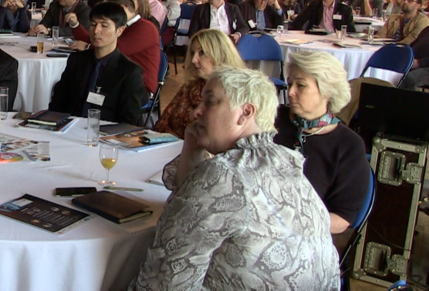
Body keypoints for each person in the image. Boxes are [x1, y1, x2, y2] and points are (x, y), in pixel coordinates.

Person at [132, 67, 339, 289]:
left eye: (210, 102)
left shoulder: (225, 174)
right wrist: (193, 146)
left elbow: (166, 276)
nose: (196, 112)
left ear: (245, 113)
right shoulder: (284, 161)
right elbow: (187, 207)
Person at [274, 51, 370, 234]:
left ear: (327, 90)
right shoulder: (271, 119)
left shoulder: (348, 145)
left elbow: (342, 219)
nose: (291, 92)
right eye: (290, 84)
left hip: (304, 235)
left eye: (301, 85)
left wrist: (285, 224)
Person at [48, 2, 145, 124]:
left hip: (105, 131)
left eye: (104, 25)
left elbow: (128, 119)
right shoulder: (77, 60)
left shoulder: (129, 71)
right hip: (68, 127)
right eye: (93, 24)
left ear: (119, 31)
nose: (96, 31)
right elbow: (58, 102)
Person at [155, 29, 245, 138]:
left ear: (220, 54)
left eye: (201, 53)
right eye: (192, 53)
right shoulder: (190, 87)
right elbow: (162, 123)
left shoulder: (234, 94)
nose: (193, 60)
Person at [69, 0, 161, 95]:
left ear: (122, 8)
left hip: (139, 86)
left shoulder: (145, 27)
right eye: (94, 24)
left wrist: (88, 47)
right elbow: (94, 38)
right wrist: (75, 25)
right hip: (115, 77)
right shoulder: (125, 25)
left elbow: (118, 49)